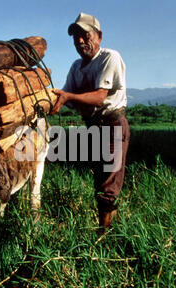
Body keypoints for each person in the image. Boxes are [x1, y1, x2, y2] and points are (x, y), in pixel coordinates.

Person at [51, 12, 130, 229]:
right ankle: (109, 229)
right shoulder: (76, 67)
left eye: (85, 35)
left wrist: (68, 97)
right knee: (100, 181)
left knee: (108, 186)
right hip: (94, 128)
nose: (79, 41)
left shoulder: (109, 57)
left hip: (112, 126)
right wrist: (52, 100)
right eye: (75, 37)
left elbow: (99, 97)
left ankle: (104, 238)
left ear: (99, 36)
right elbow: (65, 96)